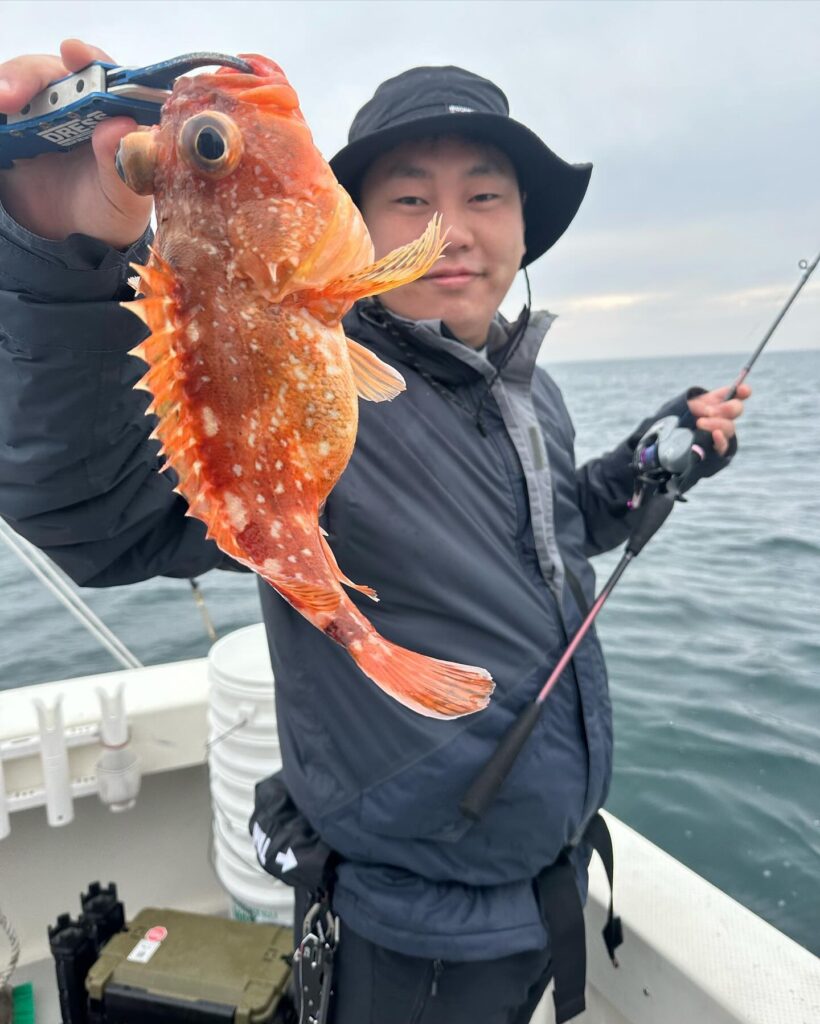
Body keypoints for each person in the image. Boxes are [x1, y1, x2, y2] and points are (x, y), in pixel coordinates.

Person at [0, 39, 749, 1024]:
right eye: (409, 197)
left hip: (543, 891)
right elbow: (100, 517)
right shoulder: (300, 371)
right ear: (346, 216)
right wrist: (56, 249)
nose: (450, 227)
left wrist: (657, 462)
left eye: (484, 195)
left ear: (524, 225)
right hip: (410, 939)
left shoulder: (535, 393)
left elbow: (551, 535)